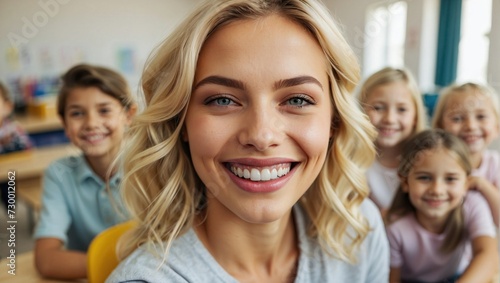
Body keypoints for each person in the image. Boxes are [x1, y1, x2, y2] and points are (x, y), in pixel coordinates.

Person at [107, 0, 389, 282]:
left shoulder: (360, 230)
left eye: (297, 100)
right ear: (182, 122)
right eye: (222, 100)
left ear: (333, 120)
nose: (261, 136)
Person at [34, 64, 136, 280]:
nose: (91, 123)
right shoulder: (59, 174)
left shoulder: (152, 165)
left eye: (104, 110)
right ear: (64, 123)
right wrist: (124, 266)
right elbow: (46, 259)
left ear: (129, 115)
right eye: (77, 113)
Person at [386, 129, 498, 283]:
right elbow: (392, 279)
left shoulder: (473, 204)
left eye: (450, 179)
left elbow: (488, 255)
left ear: (466, 182)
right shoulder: (395, 226)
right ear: (405, 182)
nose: (437, 190)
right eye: (424, 178)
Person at [358, 67, 427, 215]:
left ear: (415, 116)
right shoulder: (351, 161)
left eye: (401, 109)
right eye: (378, 107)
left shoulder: (426, 161)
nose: (389, 119)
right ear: (361, 111)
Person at [432, 82, 500, 226]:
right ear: (439, 126)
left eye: (481, 117)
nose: (470, 126)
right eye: (457, 118)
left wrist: (480, 184)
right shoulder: (433, 163)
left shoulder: (495, 164)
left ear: (497, 126)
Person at [0, 81, 33, 209]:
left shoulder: (13, 129)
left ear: (7, 107)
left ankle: (10, 206)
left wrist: (10, 142)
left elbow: (27, 148)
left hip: (11, 172)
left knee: (10, 186)